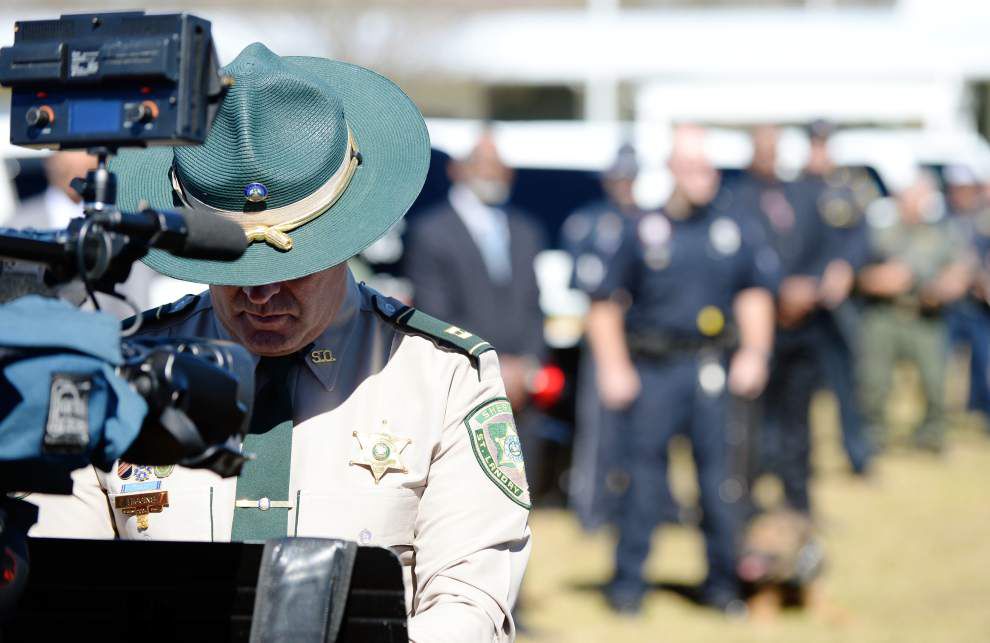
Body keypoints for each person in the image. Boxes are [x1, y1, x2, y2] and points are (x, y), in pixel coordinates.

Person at [27, 43, 531, 642]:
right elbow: (58, 582)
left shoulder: (442, 377)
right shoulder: (119, 367)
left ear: (344, 241)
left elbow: (468, 604)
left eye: (294, 268)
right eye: (232, 271)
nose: (261, 296)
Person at [586, 125, 776, 614]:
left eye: (707, 167)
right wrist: (614, 367)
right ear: (671, 170)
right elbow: (605, 302)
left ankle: (722, 585)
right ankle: (628, 584)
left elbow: (754, 293)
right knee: (643, 480)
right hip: (653, 369)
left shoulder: (734, 228)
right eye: (690, 166)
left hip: (712, 368)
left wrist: (755, 352)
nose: (701, 176)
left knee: (720, 483)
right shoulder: (640, 227)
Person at [403, 131, 547, 490]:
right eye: (482, 163)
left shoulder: (526, 229)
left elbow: (534, 306)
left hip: (522, 383)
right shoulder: (430, 231)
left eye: (500, 165)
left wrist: (529, 364)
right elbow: (435, 311)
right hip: (465, 374)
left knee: (518, 489)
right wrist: (494, 367)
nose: (493, 173)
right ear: (458, 170)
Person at [723, 124, 853, 514]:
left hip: (804, 325)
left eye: (774, 146)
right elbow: (740, 259)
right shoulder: (735, 199)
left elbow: (828, 245)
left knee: (798, 419)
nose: (770, 154)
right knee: (754, 423)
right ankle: (747, 502)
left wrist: (812, 286)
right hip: (760, 325)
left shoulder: (803, 193)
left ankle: (798, 501)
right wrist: (778, 292)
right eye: (763, 146)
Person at [561, 143, 674, 531]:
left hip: (647, 336)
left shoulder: (650, 222)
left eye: (630, 176)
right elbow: (583, 280)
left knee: (655, 424)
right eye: (618, 176)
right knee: (599, 428)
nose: (624, 183)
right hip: (604, 331)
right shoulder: (588, 221)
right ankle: (592, 507)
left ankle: (657, 505)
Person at [858, 170, 971, 452]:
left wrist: (947, 286)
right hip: (885, 314)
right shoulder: (881, 231)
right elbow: (856, 271)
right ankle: (874, 434)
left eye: (922, 196)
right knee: (875, 381)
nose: (916, 202)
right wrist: (881, 280)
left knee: (935, 381)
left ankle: (932, 434)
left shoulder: (941, 233)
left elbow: (961, 267)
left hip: (925, 314)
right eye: (912, 196)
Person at [793, 120, 878, 474]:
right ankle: (797, 460)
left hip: (838, 302)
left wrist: (845, 267)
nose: (820, 151)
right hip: (800, 305)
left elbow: (862, 237)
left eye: (824, 144)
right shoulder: (792, 188)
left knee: (848, 382)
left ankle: (858, 455)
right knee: (797, 389)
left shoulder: (847, 187)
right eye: (815, 144)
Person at [5, 151, 178, 318]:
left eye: (88, 154)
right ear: (50, 160)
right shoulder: (17, 225)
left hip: (123, 336)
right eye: (70, 150)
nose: (80, 164)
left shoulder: (131, 221)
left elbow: (165, 268)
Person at [943, 165, 990, 425]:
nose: (960, 194)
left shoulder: (982, 220)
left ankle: (981, 408)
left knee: (983, 359)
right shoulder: (944, 219)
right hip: (951, 304)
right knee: (943, 360)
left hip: (977, 304)